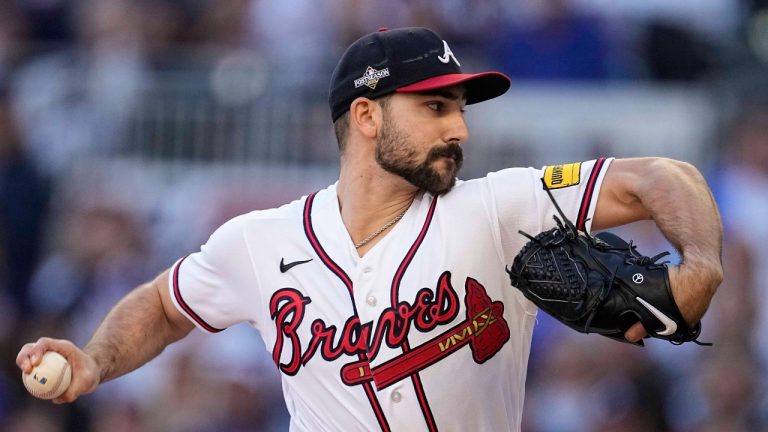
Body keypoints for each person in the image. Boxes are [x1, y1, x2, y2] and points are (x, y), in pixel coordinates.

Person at [17, 27, 723, 432]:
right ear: (366, 117)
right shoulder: (260, 242)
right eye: (436, 109)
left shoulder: (496, 208)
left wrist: (700, 267)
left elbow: (662, 176)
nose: (460, 128)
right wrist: (95, 361)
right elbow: (166, 305)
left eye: (459, 110)